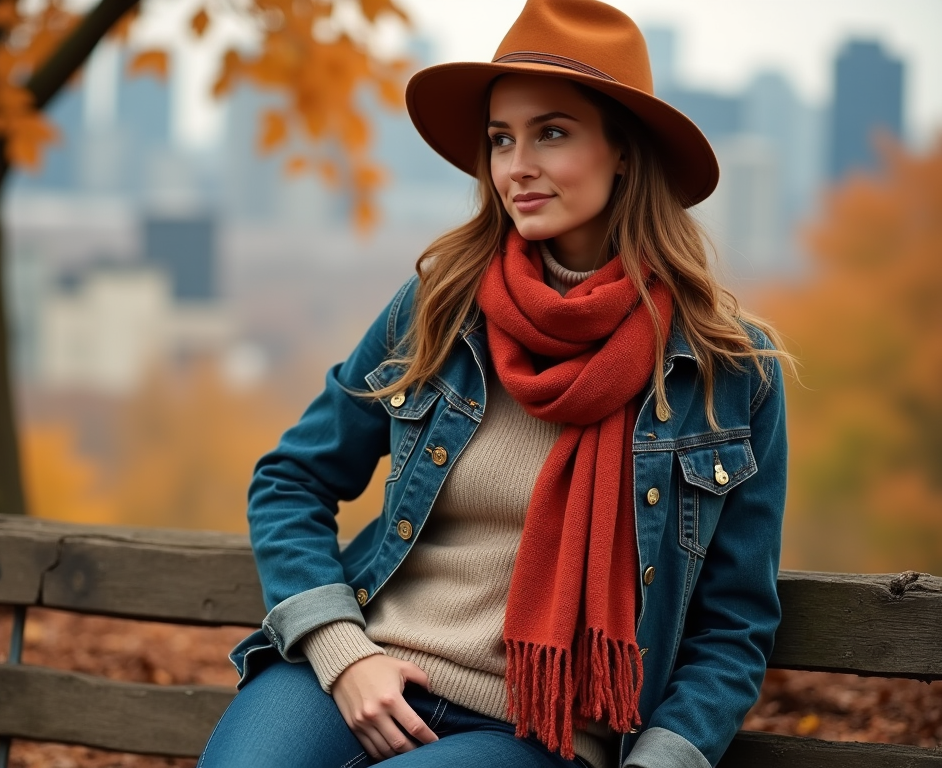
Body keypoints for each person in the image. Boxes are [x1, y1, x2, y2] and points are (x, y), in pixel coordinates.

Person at [198, 1, 792, 766]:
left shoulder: (729, 370)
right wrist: (343, 653)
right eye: (500, 139)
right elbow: (290, 479)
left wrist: (660, 761)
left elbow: (733, 625)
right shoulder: (440, 306)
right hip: (368, 665)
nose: (517, 166)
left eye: (552, 132)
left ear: (622, 150)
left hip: (536, 730)